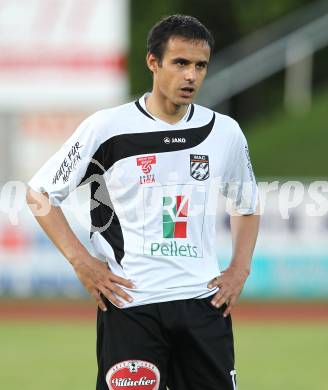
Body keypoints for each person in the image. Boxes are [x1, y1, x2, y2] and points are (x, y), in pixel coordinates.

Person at [26, 14, 259, 390]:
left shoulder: (225, 132)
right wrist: (82, 263)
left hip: (203, 303)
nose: (191, 76)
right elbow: (39, 193)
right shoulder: (107, 128)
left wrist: (239, 269)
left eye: (200, 66)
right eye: (180, 63)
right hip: (131, 305)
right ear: (154, 62)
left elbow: (246, 205)